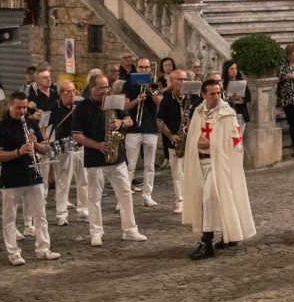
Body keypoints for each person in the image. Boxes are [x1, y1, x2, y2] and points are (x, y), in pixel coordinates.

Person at [182, 80, 256, 259]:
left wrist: (211, 143)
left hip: (219, 163)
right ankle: (229, 233)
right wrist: (196, 144)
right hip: (200, 162)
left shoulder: (227, 114)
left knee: (210, 198)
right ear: (203, 95)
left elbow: (235, 142)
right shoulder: (198, 112)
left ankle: (206, 242)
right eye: (212, 94)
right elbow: (192, 136)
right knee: (213, 199)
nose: (216, 97)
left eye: (218, 93)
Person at [71, 74, 146, 247]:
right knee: (94, 198)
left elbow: (129, 120)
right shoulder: (82, 107)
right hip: (95, 159)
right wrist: (97, 145)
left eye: (107, 87)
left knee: (125, 194)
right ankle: (96, 232)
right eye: (101, 88)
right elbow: (77, 135)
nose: (105, 91)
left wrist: (121, 123)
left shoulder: (114, 102)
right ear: (92, 88)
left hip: (117, 158)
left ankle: (130, 230)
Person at [0, 92, 61, 266]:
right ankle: (13, 252)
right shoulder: (1, 127)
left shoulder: (31, 123)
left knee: (40, 214)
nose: (22, 111)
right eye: (18, 108)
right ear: (10, 106)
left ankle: (43, 248)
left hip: (33, 175)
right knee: (10, 217)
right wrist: (18, 152)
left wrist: (35, 144)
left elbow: (44, 150)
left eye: (24, 107)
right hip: (11, 177)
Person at [45, 80, 89, 226]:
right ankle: (61, 214)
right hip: (64, 146)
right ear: (60, 94)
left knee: (84, 180)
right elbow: (44, 127)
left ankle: (83, 209)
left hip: (80, 145)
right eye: (68, 91)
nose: (72, 94)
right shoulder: (54, 108)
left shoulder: (80, 106)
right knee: (63, 182)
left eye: (73, 91)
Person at [157, 69, 200, 215]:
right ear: (172, 81)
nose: (182, 82)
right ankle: (180, 201)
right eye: (179, 79)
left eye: (184, 79)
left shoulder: (194, 97)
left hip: (192, 139)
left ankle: (193, 200)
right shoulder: (166, 99)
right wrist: (170, 135)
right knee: (178, 174)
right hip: (175, 140)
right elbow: (160, 121)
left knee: (193, 172)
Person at [123, 58, 163, 206]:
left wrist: (150, 89)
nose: (144, 70)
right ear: (136, 68)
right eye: (141, 67)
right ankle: (124, 197)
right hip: (133, 128)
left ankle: (147, 195)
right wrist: (137, 100)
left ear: (150, 69)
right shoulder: (128, 83)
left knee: (150, 165)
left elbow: (160, 103)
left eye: (146, 67)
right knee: (130, 164)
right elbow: (125, 106)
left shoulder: (154, 83)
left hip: (150, 128)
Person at [222, 61, 252, 132]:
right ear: (226, 70)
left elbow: (248, 97)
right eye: (231, 69)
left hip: (240, 111)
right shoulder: (224, 84)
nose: (234, 71)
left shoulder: (241, 82)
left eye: (235, 68)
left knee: (239, 135)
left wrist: (239, 101)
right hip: (228, 113)